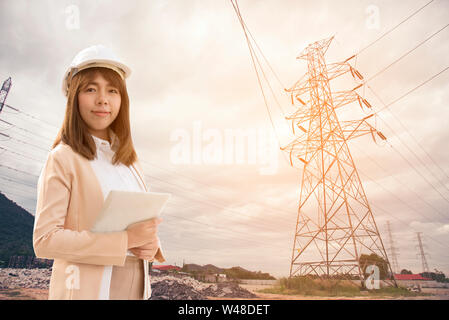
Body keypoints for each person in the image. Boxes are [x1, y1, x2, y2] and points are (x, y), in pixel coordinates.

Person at [32, 44, 165, 300]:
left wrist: (151, 244)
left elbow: (137, 226)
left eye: (112, 90)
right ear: (74, 98)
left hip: (136, 288)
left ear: (122, 100)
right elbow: (45, 239)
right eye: (91, 89)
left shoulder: (131, 162)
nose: (102, 99)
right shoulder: (62, 158)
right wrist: (125, 240)